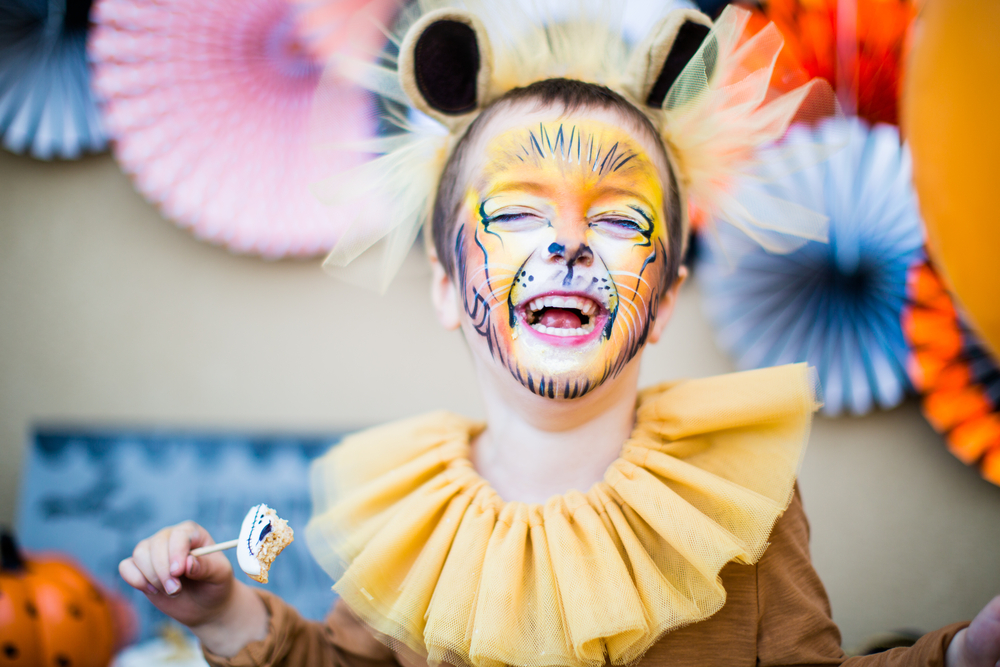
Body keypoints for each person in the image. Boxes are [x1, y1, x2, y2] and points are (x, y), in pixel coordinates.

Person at [119, 4, 1000, 666]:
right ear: (445, 285)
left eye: (617, 220)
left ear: (662, 299)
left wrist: (966, 652)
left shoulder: (733, 499)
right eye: (515, 212)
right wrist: (226, 610)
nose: (569, 243)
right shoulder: (412, 520)